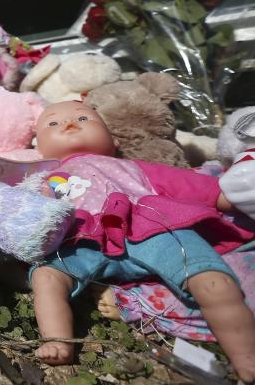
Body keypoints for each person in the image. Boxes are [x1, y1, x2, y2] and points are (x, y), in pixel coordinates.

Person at [28, 101, 255, 382]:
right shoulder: (45, 180)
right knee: (46, 278)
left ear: (115, 140)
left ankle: (246, 357)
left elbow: (190, 185)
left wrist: (233, 196)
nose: (68, 124)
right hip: (85, 241)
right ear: (38, 148)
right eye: (52, 123)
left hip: (152, 228)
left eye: (84, 117)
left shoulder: (134, 167)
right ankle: (58, 341)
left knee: (213, 281)